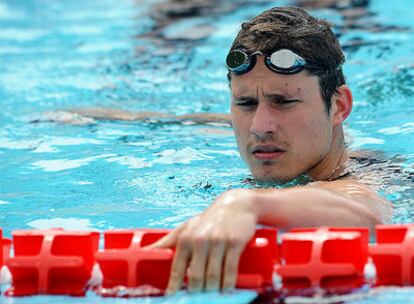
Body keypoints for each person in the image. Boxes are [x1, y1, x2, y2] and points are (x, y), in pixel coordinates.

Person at [49, 5, 392, 294]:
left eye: (283, 101)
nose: (259, 126)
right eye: (244, 103)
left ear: (339, 106)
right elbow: (182, 120)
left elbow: (366, 213)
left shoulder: (367, 179)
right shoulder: (262, 129)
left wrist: (246, 203)